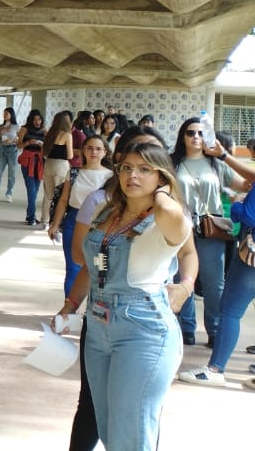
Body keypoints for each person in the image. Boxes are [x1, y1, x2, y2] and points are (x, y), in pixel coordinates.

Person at [54, 142, 189, 450]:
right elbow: (91, 266)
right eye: (127, 168)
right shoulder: (108, 212)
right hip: (99, 323)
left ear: (163, 178)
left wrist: (163, 191)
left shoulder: (166, 216)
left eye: (145, 169)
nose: (133, 176)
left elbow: (171, 214)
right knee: (108, 427)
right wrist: (70, 305)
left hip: (143, 328)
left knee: (132, 432)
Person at [169, 116, 255, 346]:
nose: (196, 137)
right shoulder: (172, 163)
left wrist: (225, 156)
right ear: (182, 136)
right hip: (180, 227)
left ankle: (214, 330)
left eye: (200, 133)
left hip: (211, 229)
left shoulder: (217, 164)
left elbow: (248, 183)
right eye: (190, 133)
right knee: (182, 277)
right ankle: (185, 327)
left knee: (213, 281)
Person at [177, 191, 255, 387]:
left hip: (251, 259)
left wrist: (237, 203)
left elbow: (249, 216)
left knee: (231, 312)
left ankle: (215, 369)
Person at [49, 135, 114, 296]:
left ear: (105, 152)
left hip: (102, 223)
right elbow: (64, 200)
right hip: (74, 220)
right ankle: (69, 314)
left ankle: (92, 312)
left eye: (98, 149)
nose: (94, 152)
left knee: (100, 268)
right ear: (83, 150)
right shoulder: (74, 173)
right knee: (73, 266)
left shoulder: (112, 176)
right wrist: (55, 224)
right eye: (90, 148)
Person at [42, 112, 75, 223]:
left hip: (48, 164)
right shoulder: (67, 135)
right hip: (61, 165)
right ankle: (56, 220)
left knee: (48, 194)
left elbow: (43, 152)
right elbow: (70, 155)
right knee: (60, 194)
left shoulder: (49, 134)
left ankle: (45, 220)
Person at [17, 109, 47, 225]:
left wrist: (41, 143)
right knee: (31, 190)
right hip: (28, 160)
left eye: (39, 119)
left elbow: (49, 145)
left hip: (40, 161)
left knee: (35, 190)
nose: (37, 122)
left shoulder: (44, 130)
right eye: (34, 120)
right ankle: (31, 217)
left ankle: (30, 214)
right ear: (30, 120)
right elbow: (18, 146)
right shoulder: (24, 129)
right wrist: (28, 142)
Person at [0, 107, 19, 202]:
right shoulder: (0, 126)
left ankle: (9, 193)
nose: (4, 115)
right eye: (4, 113)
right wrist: (0, 131)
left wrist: (13, 140)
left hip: (12, 150)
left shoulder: (16, 126)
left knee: (12, 174)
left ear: (11, 115)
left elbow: (20, 139)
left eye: (7, 113)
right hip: (2, 150)